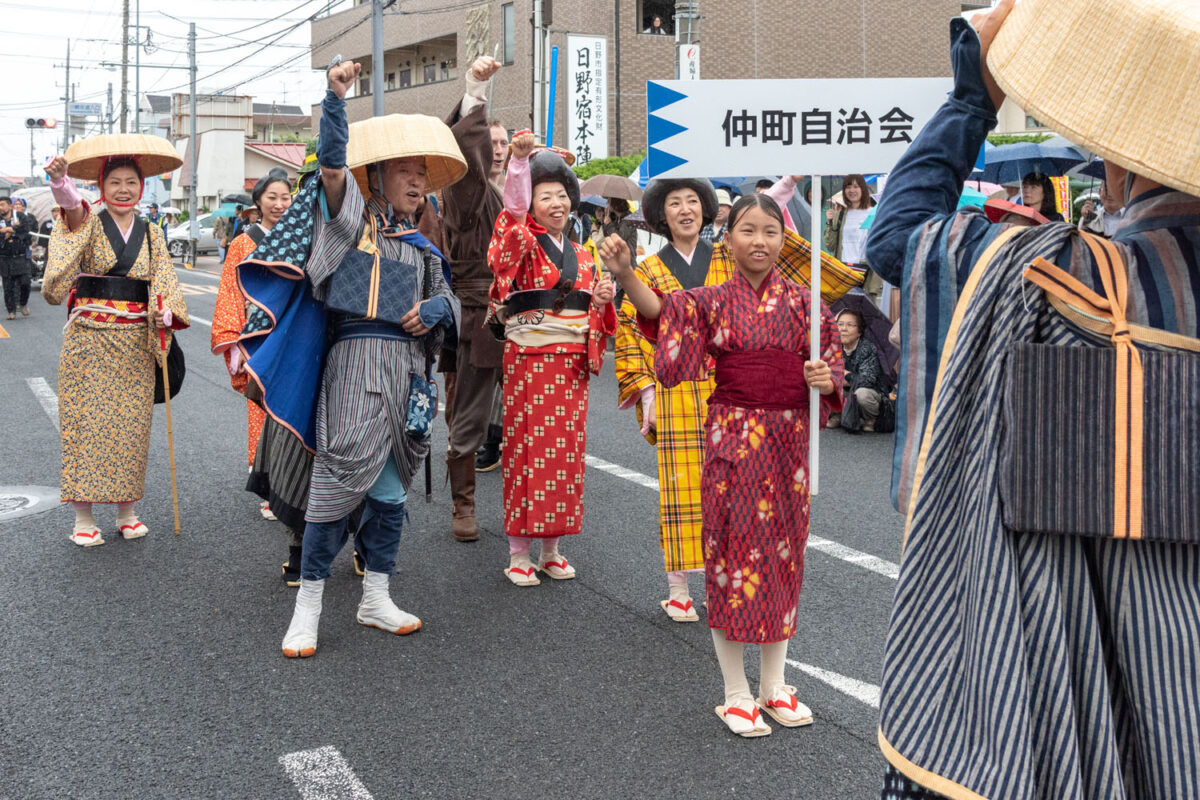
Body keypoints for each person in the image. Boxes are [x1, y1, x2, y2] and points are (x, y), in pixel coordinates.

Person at [866, 1, 1200, 796]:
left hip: (1069, 672)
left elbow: (900, 236)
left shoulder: (1061, 278)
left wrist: (971, 98)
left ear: (1120, 163)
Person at [237, 60, 463, 657]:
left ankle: (375, 598)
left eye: (422, 175)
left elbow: (451, 302)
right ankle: (307, 604)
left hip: (409, 377)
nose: (417, 183)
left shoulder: (420, 245)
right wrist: (335, 100)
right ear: (380, 176)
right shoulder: (351, 221)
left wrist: (440, 310)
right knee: (335, 484)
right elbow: (332, 166)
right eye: (407, 173)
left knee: (391, 492)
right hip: (355, 368)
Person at [602, 193, 844, 739]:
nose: (760, 242)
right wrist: (624, 275)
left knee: (784, 558)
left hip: (789, 445)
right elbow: (665, 312)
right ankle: (735, 689)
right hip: (734, 438)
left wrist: (825, 381)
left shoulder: (807, 305)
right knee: (732, 558)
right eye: (748, 231)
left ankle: (774, 683)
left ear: (785, 240)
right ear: (728, 238)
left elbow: (833, 368)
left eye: (771, 232)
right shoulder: (712, 298)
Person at [40, 136, 189, 546]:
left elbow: (164, 281)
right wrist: (60, 182)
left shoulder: (153, 233)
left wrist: (166, 311)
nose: (123, 190)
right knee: (85, 428)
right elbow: (71, 207)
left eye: (130, 182)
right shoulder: (87, 220)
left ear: (141, 188)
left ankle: (127, 510)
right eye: (114, 183)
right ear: (101, 188)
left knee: (131, 432)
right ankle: (82, 518)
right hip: (88, 343)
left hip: (134, 346)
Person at [486, 131, 616, 586]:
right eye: (546, 196)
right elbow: (507, 234)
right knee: (525, 450)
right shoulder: (520, 238)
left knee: (564, 455)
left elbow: (595, 308)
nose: (557, 204)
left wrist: (601, 297)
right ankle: (519, 552)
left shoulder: (583, 252)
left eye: (563, 195)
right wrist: (518, 169)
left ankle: (552, 548)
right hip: (530, 360)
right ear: (532, 202)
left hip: (570, 365)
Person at [437, 54, 509, 543]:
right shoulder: (468, 194)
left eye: (503, 143)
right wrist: (474, 92)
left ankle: (528, 502)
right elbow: (470, 163)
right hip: (476, 310)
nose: (497, 150)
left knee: (528, 412)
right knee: (469, 411)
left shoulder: (512, 195)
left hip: (521, 313)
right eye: (491, 142)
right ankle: (463, 504)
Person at [210, 167, 293, 521]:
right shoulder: (243, 243)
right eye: (271, 197)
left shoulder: (299, 238)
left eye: (285, 197)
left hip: (291, 332)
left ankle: (291, 483)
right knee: (263, 409)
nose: (278, 204)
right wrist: (234, 343)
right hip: (257, 338)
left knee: (292, 407)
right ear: (258, 202)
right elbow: (230, 290)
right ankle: (268, 486)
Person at [830, 308, 889, 432]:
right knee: (826, 384)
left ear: (859, 332)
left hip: (870, 393)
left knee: (862, 393)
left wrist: (846, 375)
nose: (843, 329)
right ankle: (838, 415)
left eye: (850, 325)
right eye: (840, 324)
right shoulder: (834, 347)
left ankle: (870, 419)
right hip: (847, 391)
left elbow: (867, 380)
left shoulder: (867, 348)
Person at [0, 194, 33, 319]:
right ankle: (11, 311)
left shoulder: (19, 216)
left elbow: (26, 230)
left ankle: (23, 303)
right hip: (4, 257)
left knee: (25, 282)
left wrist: (12, 229)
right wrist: (3, 232)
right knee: (8, 285)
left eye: (3, 205)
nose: (1, 208)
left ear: (10, 206)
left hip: (20, 255)